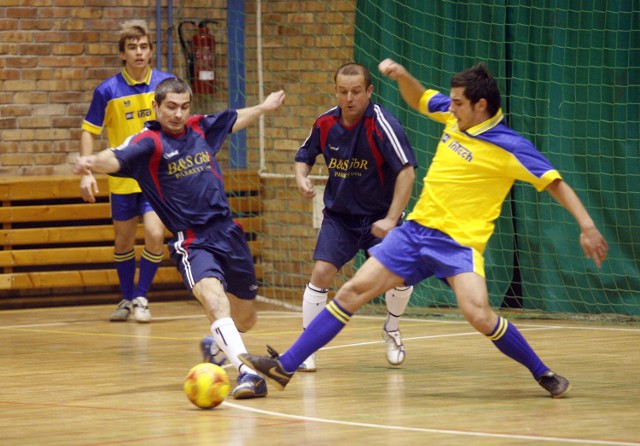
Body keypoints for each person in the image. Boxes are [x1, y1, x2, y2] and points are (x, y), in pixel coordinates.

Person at [238, 59, 609, 398]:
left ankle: (542, 373)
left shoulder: (510, 146)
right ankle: (285, 365)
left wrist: (587, 226)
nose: (451, 106)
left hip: (458, 245)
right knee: (351, 291)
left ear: (480, 106)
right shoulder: (454, 116)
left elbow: (554, 181)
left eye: (459, 102)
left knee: (479, 314)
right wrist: (402, 77)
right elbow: (420, 99)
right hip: (415, 233)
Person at [74, 77, 287, 399]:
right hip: (192, 241)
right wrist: (91, 162)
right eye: (171, 107)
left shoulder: (200, 128)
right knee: (215, 301)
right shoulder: (149, 143)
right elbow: (116, 157)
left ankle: (216, 349)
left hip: (228, 232)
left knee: (245, 317)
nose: (178, 114)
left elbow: (232, 119)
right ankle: (247, 373)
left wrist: (263, 107)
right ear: (156, 106)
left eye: (184, 107)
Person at [293, 62, 417, 372]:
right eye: (343, 91)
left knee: (402, 277)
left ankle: (391, 329)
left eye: (356, 92)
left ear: (369, 91)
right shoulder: (324, 123)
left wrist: (391, 219)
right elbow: (303, 155)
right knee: (321, 273)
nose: (349, 98)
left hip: (380, 217)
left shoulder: (383, 124)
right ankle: (306, 348)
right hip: (341, 218)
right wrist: (302, 177)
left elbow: (406, 171)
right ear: (335, 90)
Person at [80, 20, 174, 323]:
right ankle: (126, 297)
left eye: (143, 46)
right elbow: (88, 131)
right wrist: (87, 170)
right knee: (122, 241)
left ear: (151, 52)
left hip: (156, 179)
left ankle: (142, 296)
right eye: (132, 47)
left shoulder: (166, 85)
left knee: (155, 234)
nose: (138, 52)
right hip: (121, 181)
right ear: (122, 54)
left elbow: (180, 123)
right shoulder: (107, 90)